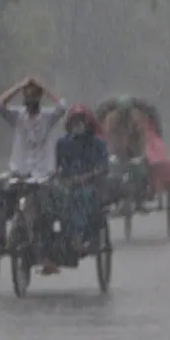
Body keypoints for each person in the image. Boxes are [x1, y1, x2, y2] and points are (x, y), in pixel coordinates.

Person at [0, 78, 68, 273]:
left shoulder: (48, 117)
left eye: (34, 98)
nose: (31, 103)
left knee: (41, 212)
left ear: (39, 101)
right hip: (19, 171)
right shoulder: (17, 117)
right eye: (28, 99)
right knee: (8, 203)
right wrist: (20, 86)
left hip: (43, 175)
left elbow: (62, 106)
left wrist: (43, 87)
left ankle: (42, 253)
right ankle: (8, 238)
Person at [55, 105, 110, 254]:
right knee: (57, 200)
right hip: (68, 184)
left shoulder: (98, 144)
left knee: (83, 197)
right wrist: (61, 178)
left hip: (90, 185)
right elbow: (55, 166)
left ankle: (79, 236)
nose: (77, 124)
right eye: (75, 120)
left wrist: (89, 176)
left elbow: (103, 166)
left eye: (80, 120)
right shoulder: (62, 144)